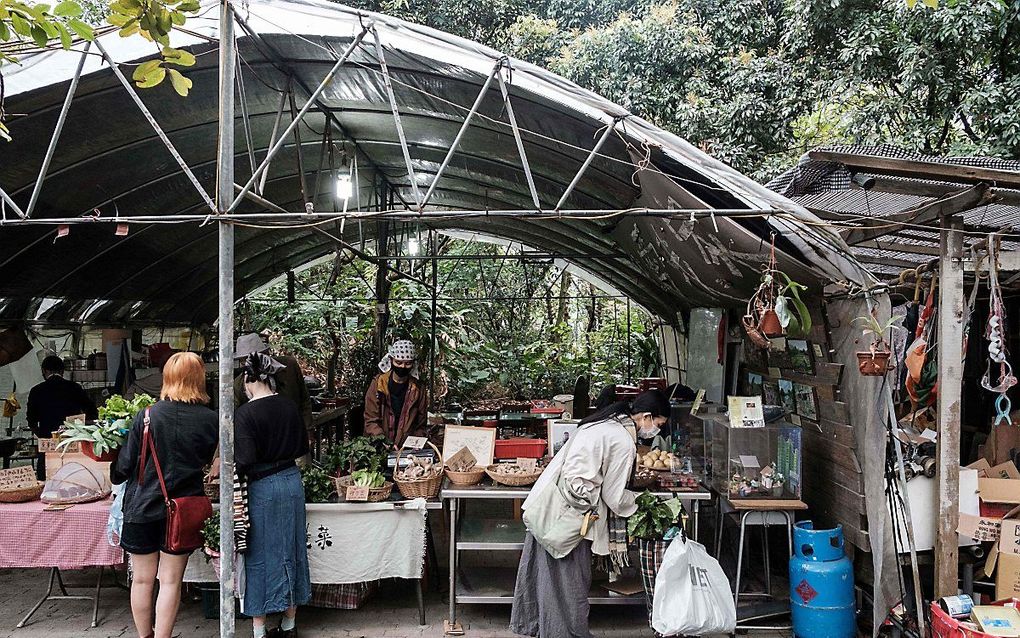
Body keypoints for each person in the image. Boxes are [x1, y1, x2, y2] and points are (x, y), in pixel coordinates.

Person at [510, 389, 671, 638]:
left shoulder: (604, 423)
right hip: (570, 514)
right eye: (658, 424)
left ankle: (542, 628)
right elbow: (615, 497)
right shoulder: (622, 439)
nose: (656, 430)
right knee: (569, 584)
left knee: (547, 578)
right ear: (647, 416)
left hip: (552, 506)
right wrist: (643, 500)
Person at [111, 352, 218, 638]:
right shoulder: (211, 420)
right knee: (171, 581)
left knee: (143, 580)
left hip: (142, 508)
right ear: (199, 379)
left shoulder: (147, 416)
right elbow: (207, 459)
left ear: (167, 378)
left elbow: (123, 467)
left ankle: (145, 636)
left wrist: (116, 475)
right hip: (182, 511)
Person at [235, 352, 311, 638]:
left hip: (262, 487)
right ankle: (289, 625)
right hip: (292, 482)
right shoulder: (289, 406)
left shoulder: (245, 414)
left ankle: (259, 630)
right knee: (292, 550)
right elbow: (302, 444)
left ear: (251, 379)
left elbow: (244, 459)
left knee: (258, 555)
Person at [26, 355, 98, 480]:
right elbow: (92, 412)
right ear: (62, 371)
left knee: (46, 479)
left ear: (44, 371)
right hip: (72, 441)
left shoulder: (36, 391)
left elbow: (31, 421)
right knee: (73, 479)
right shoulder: (74, 388)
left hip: (48, 444)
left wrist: (42, 435)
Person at [233, 333, 313, 440]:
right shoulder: (240, 384)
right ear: (242, 363)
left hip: (295, 433)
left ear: (266, 354)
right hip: (266, 442)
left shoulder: (288, 367)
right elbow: (233, 418)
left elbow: (304, 399)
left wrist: (308, 431)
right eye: (245, 360)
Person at [363, 340, 428, 448]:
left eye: (408, 363)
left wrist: (413, 444)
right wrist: (382, 440)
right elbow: (370, 419)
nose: (402, 367)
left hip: (406, 450)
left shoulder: (418, 389)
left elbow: (421, 424)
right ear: (391, 360)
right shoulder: (378, 384)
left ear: (413, 364)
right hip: (378, 446)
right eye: (398, 362)